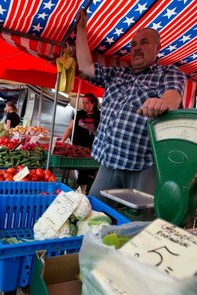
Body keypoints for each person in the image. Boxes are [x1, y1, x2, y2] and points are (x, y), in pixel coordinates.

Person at [75, 10, 187, 206]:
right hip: (108, 162)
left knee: (139, 224)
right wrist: (81, 29)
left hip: (141, 166)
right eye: (133, 44)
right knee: (92, 212)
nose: (136, 48)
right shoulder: (117, 74)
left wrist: (161, 103)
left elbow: (173, 97)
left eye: (143, 42)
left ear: (157, 48)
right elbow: (85, 66)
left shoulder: (168, 72)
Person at [60, 93, 100, 194]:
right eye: (83, 103)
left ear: (93, 103)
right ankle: (82, 190)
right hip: (77, 148)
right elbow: (70, 128)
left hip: (93, 148)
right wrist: (61, 142)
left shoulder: (100, 115)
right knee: (82, 169)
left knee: (88, 170)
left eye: (87, 103)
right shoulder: (78, 114)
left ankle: (84, 190)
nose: (84, 105)